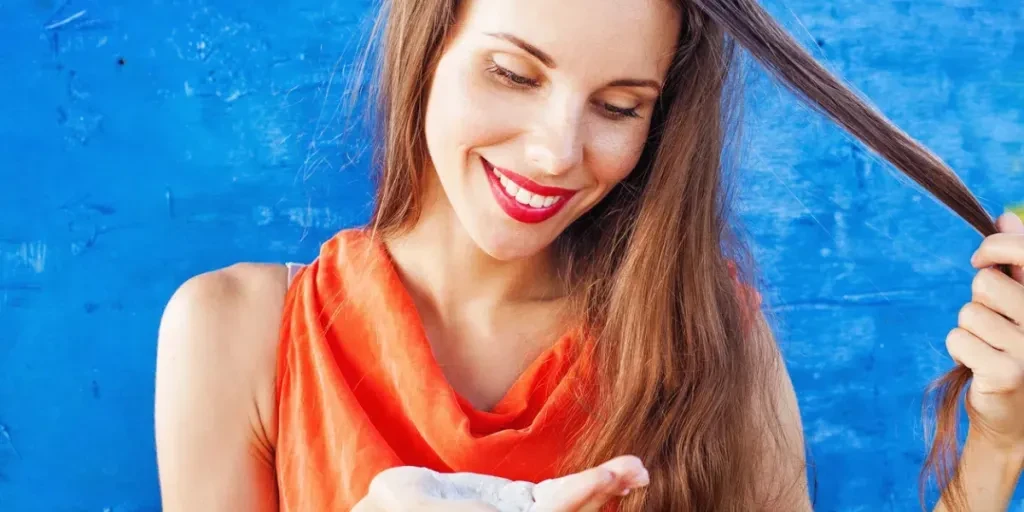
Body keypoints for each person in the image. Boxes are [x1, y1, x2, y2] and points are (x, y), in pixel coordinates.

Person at [153, 0, 1024, 510]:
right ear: (432, 41)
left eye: (618, 105)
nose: (554, 154)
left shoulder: (710, 337)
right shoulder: (236, 336)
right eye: (515, 74)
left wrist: (999, 438)